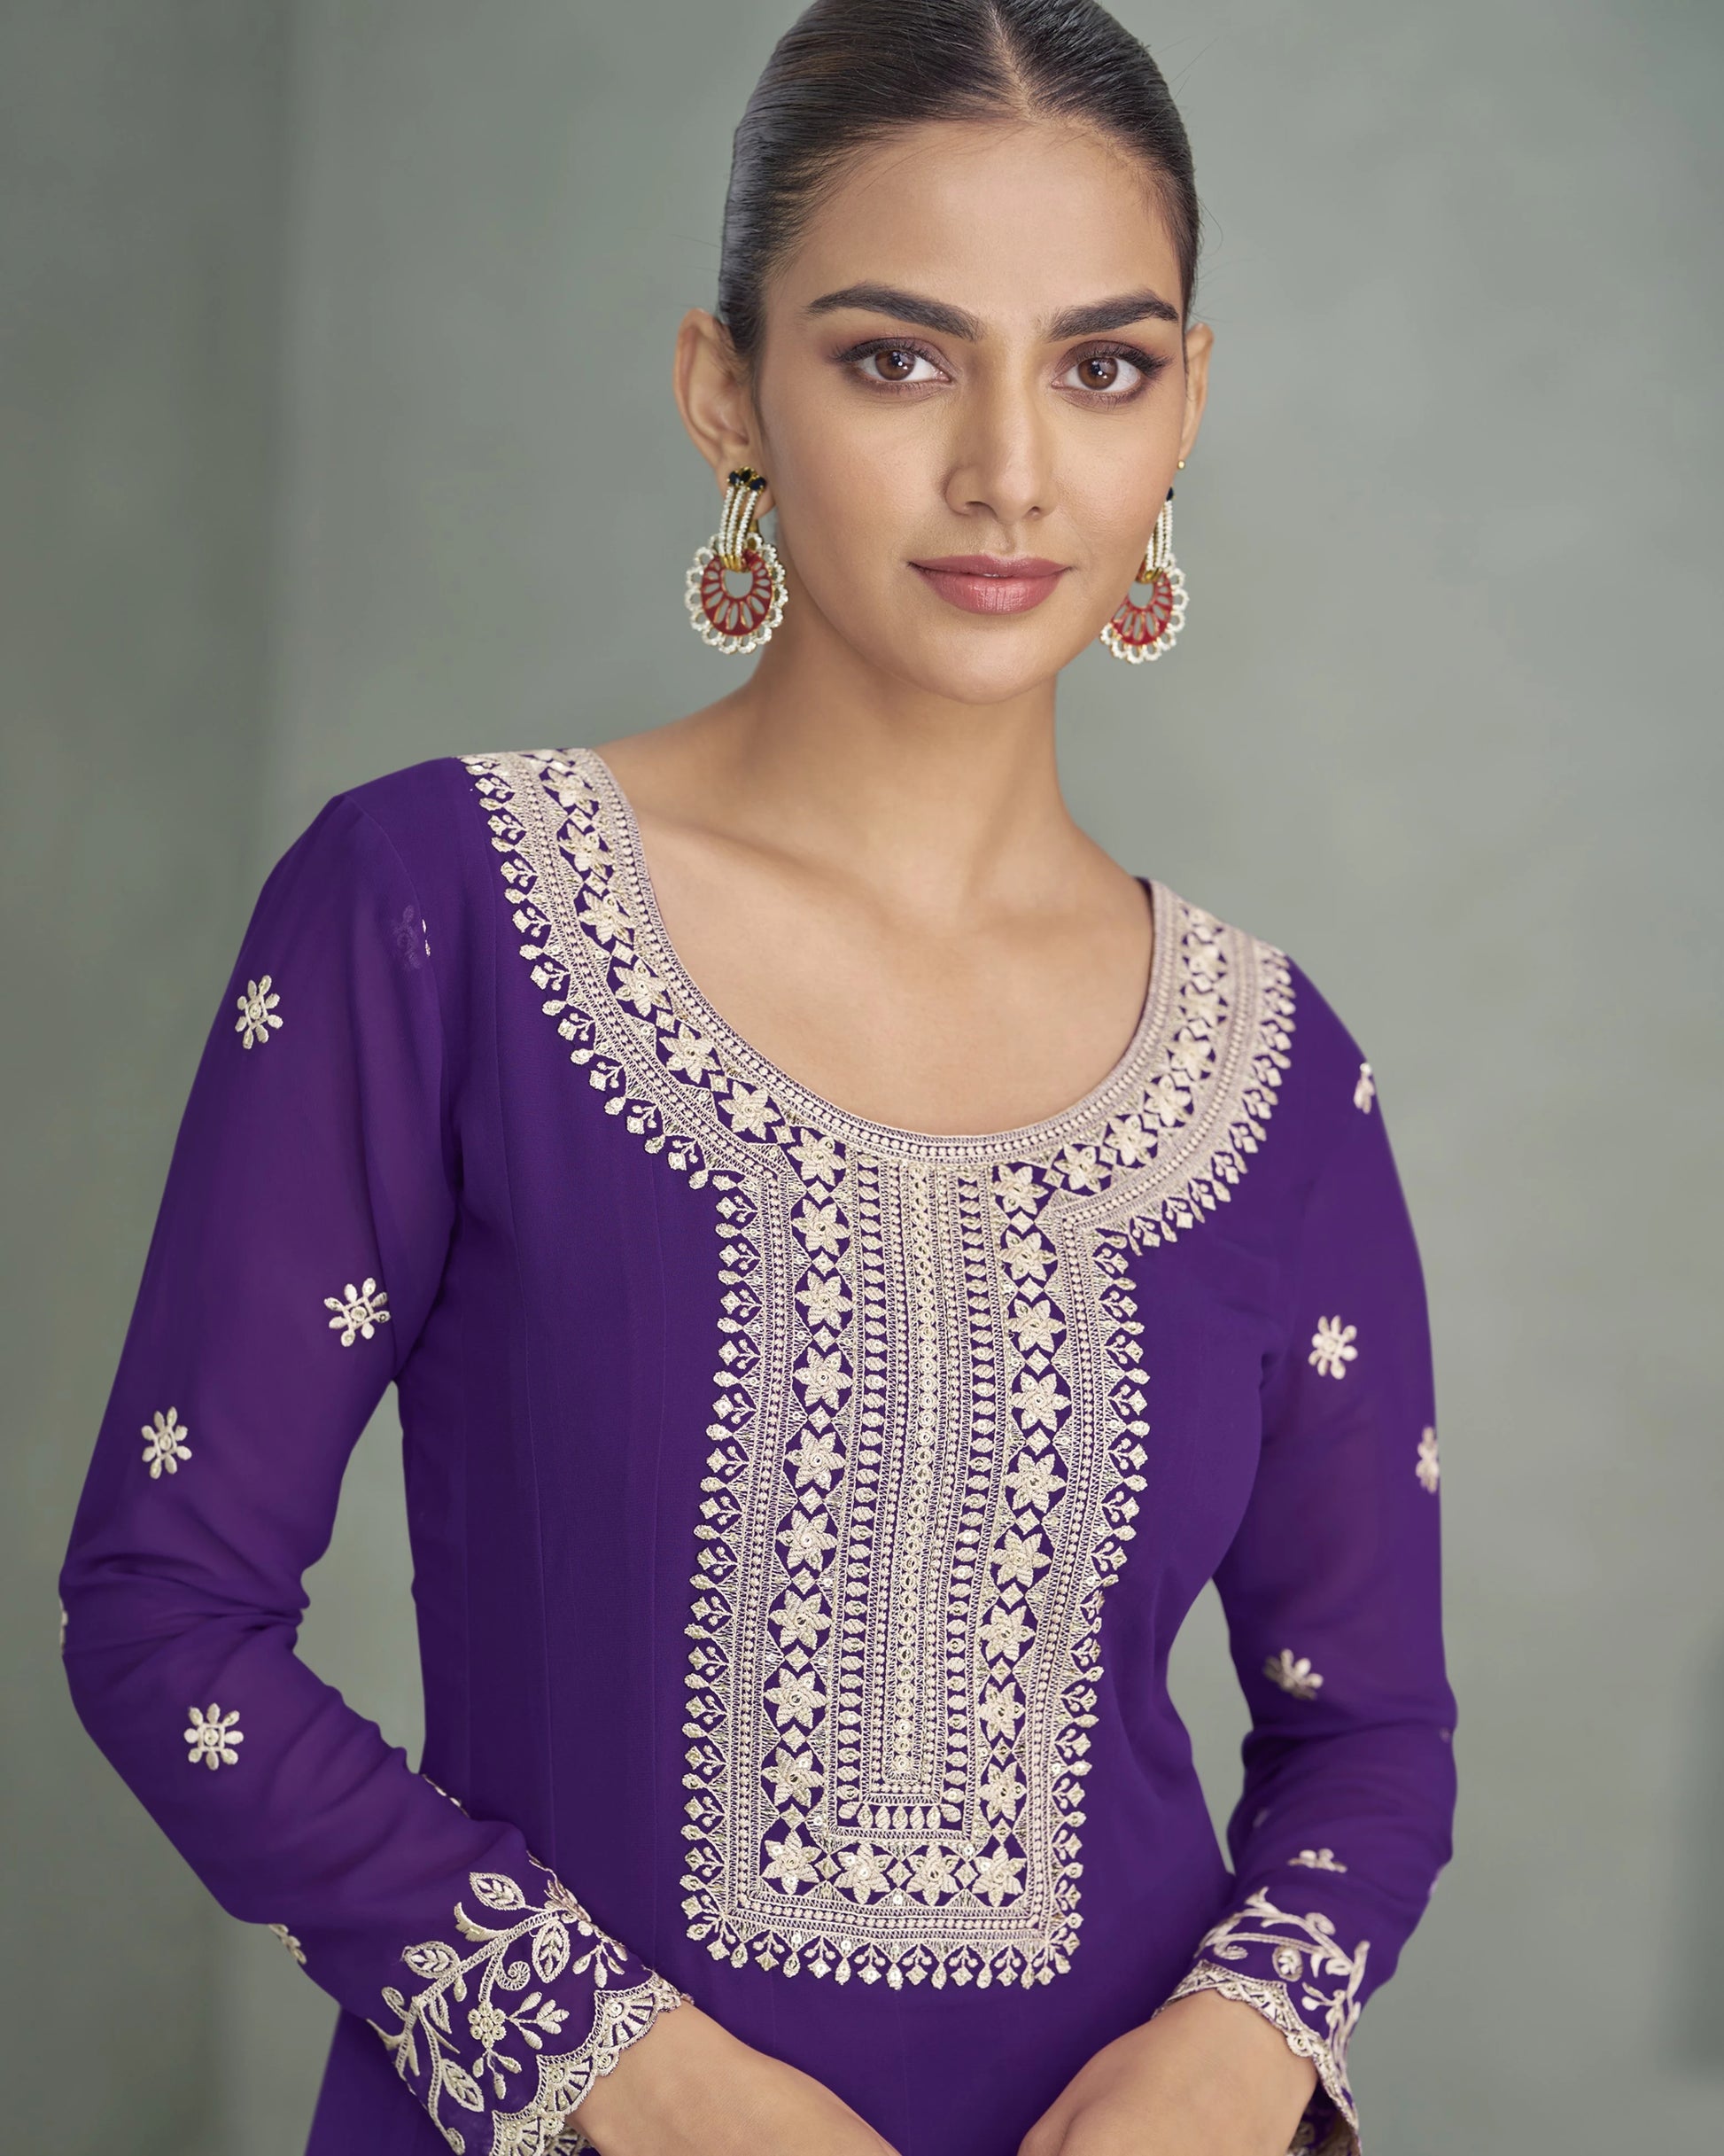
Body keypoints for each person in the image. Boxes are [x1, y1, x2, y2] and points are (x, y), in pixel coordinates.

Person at [58, 4, 1456, 2152]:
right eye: (896, 356)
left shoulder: (1275, 1071)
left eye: (1102, 364)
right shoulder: (443, 909)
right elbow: (168, 1615)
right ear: (726, 387)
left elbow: (1368, 1737)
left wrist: (1239, 2042)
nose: (1009, 467)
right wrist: (628, 2066)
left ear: (1185, 408)